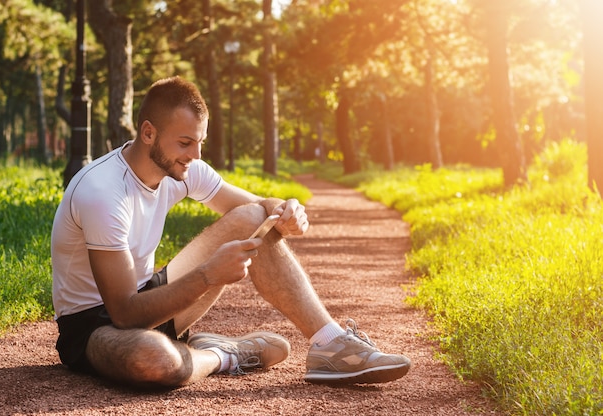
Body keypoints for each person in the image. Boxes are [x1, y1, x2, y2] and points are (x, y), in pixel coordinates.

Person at [51, 76, 411, 388]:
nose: (195, 154)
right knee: (155, 359)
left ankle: (330, 342)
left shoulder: (184, 167)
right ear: (148, 132)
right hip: (94, 328)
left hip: (149, 299)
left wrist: (285, 209)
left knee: (250, 216)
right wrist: (208, 275)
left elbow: (257, 206)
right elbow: (125, 315)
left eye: (200, 142)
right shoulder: (102, 192)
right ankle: (221, 355)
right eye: (185, 142)